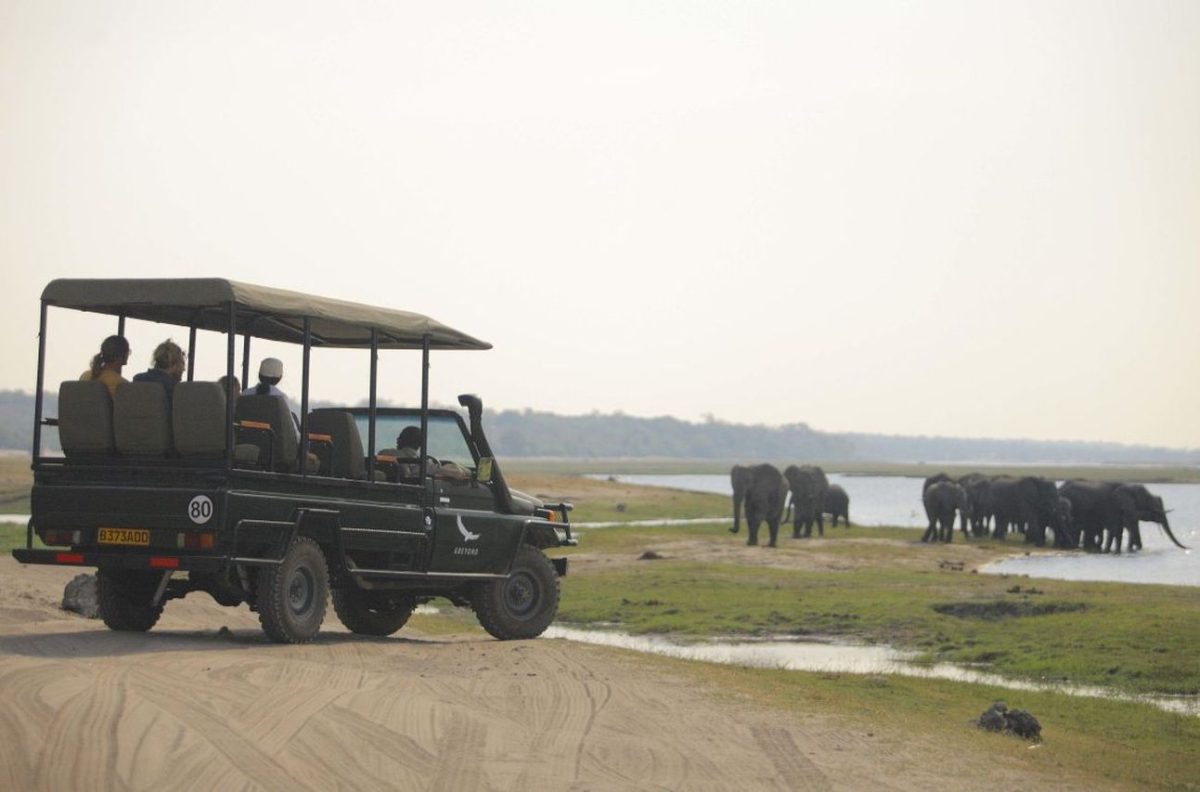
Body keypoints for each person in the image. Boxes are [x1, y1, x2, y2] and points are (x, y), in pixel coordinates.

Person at [252, 357, 299, 435]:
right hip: (275, 443)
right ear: (279, 378)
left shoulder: (245, 394)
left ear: (259, 375)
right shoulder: (280, 398)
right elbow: (291, 429)